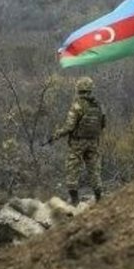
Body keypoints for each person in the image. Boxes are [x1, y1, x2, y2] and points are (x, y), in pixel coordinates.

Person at [49, 77, 106, 205]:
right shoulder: (99, 106)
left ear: (79, 89)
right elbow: (103, 124)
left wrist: (56, 135)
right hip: (93, 142)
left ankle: (74, 200)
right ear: (90, 89)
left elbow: (69, 126)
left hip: (77, 143)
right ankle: (99, 199)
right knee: (94, 170)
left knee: (72, 169)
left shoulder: (77, 105)